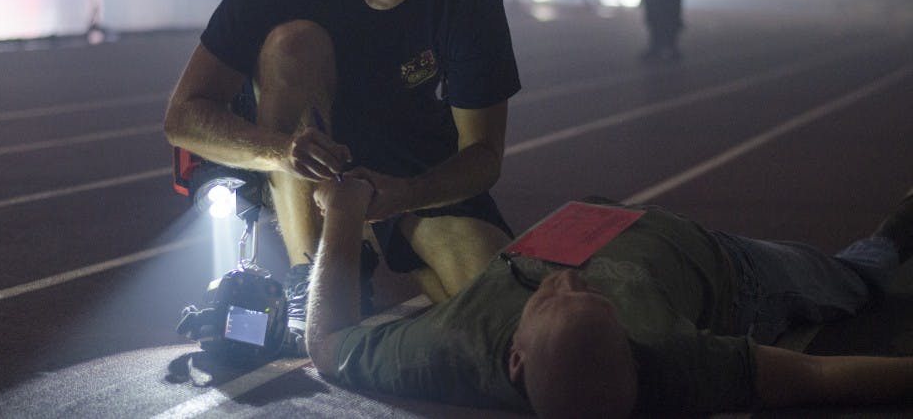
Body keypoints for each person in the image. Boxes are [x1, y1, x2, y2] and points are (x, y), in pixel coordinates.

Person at [164, 0, 521, 353]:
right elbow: (182, 116)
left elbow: (484, 156)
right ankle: (307, 274)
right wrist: (281, 151)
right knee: (293, 44)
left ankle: (390, 249)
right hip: (300, 140)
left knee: (501, 308)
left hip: (405, 151)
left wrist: (409, 193)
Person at [306, 176, 913, 417]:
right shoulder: (674, 359)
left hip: (610, 221)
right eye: (595, 303)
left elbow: (327, 343)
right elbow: (824, 377)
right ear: (630, 348)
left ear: (515, 355)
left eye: (551, 300)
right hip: (729, 270)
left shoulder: (450, 345)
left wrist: (342, 212)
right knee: (848, 281)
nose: (570, 279)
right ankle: (890, 239)